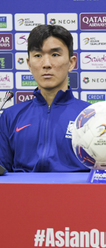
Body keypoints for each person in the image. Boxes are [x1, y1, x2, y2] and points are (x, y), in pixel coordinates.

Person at [0, 25, 91, 172]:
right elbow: (2, 174)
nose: (46, 64)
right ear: (29, 64)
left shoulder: (91, 115)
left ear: (71, 62)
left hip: (76, 195)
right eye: (38, 56)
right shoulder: (10, 116)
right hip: (24, 195)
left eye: (55, 55)